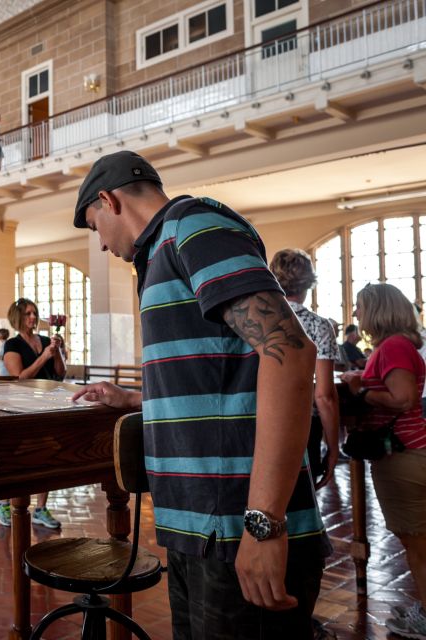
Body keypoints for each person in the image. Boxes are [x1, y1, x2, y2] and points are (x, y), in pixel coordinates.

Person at [70, 151, 330, 638]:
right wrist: (135, 400)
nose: (100, 243)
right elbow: (220, 377)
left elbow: (291, 354)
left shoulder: (194, 227)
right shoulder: (161, 253)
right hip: (200, 529)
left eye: (94, 225)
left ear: (109, 200)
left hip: (237, 526)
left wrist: (263, 525)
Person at [341, 284, 426, 639]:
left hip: (403, 454)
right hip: (410, 451)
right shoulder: (396, 345)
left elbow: (403, 399)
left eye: (360, 307)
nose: (356, 314)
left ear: (378, 310)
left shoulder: (393, 346)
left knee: (417, 544)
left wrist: (360, 390)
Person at [270, 249, 340, 490]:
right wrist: (333, 447)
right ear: (309, 282)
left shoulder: (256, 325)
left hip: (261, 423)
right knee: (303, 498)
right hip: (302, 424)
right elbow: (324, 396)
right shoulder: (319, 326)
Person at [0, 298, 66, 530]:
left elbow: (60, 374)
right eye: (28, 314)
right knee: (17, 458)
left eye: (34, 313)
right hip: (21, 406)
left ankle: (40, 509)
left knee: (47, 456)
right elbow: (20, 378)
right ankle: (3, 503)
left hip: (47, 404)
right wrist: (44, 356)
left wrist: (56, 352)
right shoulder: (12, 345)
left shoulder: (44, 340)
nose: (33, 317)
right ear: (18, 317)